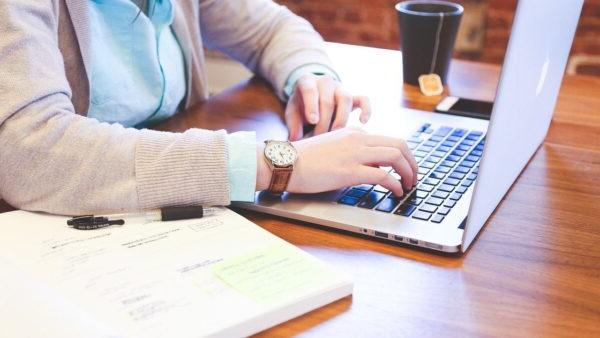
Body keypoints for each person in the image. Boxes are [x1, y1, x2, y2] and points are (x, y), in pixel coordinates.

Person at [0, 0, 417, 215]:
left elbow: (272, 28)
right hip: (52, 233)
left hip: (164, 214)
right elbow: (29, 150)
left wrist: (311, 77)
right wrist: (278, 164)